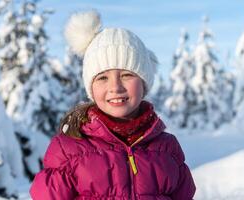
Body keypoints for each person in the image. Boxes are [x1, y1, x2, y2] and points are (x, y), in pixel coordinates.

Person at [30, 10, 196, 200]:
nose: (115, 87)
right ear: (91, 88)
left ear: (144, 83)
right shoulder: (68, 150)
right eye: (102, 77)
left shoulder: (167, 149)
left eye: (127, 75)